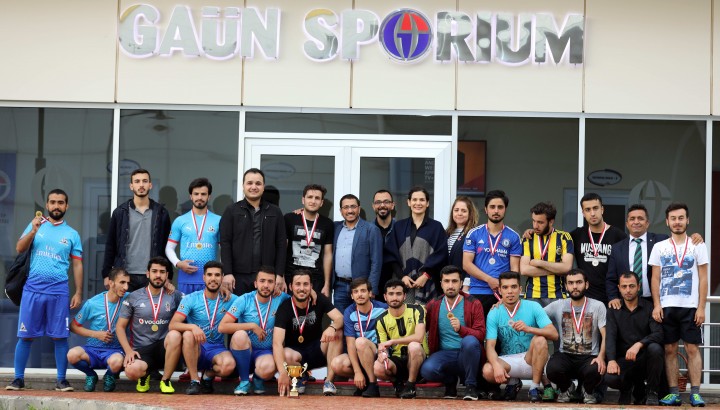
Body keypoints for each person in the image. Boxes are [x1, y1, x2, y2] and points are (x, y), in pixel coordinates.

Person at [8, 189, 83, 392]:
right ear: (47, 205)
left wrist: (78, 292)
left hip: (58, 292)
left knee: (60, 337)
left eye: (60, 202)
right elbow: (19, 248)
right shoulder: (36, 225)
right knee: (25, 336)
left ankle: (61, 380)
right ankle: (18, 379)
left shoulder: (72, 234)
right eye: (53, 202)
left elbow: (77, 264)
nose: (56, 206)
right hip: (32, 290)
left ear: (66, 206)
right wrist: (33, 231)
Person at [650, 202, 709, 407]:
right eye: (673, 218)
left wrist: (701, 307)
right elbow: (655, 278)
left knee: (692, 349)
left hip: (690, 306)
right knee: (669, 350)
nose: (677, 222)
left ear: (688, 220)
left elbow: (704, 278)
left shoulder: (698, 245)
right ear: (667, 221)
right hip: (667, 306)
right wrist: (657, 305)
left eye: (681, 218)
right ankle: (674, 393)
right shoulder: (659, 247)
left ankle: (695, 393)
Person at [606, 203, 703, 309]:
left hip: (655, 303)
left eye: (640, 218)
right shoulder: (617, 248)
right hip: (627, 303)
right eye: (632, 219)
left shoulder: (661, 241)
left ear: (647, 223)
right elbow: (611, 278)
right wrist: (613, 297)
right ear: (627, 224)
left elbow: (679, 239)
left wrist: (695, 237)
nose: (636, 222)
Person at [482, 271, 558, 403]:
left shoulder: (533, 306)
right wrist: (496, 365)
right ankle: (513, 382)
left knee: (540, 339)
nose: (510, 291)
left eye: (514, 287)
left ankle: (534, 388)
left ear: (520, 289)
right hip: (510, 361)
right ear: (500, 290)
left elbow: (554, 334)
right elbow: (490, 346)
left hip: (532, 359)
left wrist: (529, 329)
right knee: (488, 370)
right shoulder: (494, 312)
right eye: (505, 287)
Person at [218, 266, 291, 395]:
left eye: (270, 282)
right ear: (256, 283)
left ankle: (258, 378)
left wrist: (313, 293)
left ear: (275, 284)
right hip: (244, 350)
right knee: (239, 335)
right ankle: (244, 381)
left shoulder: (281, 298)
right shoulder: (244, 299)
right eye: (262, 281)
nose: (266, 285)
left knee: (269, 367)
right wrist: (251, 326)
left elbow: (300, 298)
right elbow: (222, 327)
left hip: (265, 352)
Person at [116, 257, 183, 394]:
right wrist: (128, 351)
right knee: (131, 371)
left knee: (175, 335)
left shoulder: (174, 295)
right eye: (154, 271)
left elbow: (195, 300)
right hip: (142, 350)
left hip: (165, 348)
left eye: (162, 272)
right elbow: (120, 327)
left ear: (167, 275)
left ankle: (165, 380)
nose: (158, 275)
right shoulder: (134, 297)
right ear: (148, 274)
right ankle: (145, 374)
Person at [273, 269, 345, 396]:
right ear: (291, 286)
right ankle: (300, 375)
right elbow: (277, 343)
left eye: (305, 284)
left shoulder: (319, 299)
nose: (302, 288)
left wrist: (332, 327)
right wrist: (283, 373)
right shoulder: (284, 307)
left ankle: (329, 381)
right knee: (285, 353)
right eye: (298, 284)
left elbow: (340, 318)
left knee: (337, 333)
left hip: (318, 350)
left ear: (311, 286)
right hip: (296, 355)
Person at [169, 261, 237, 395]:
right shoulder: (191, 298)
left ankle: (207, 375)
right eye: (209, 275)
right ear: (204, 277)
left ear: (222, 278)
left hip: (217, 348)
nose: (213, 278)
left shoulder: (231, 299)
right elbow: (173, 324)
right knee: (188, 334)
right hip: (196, 347)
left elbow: (251, 301)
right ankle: (194, 380)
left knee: (228, 366)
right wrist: (193, 327)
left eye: (217, 275)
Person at [420, 265, 485, 401]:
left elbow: (480, 334)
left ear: (461, 283)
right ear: (441, 284)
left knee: (470, 341)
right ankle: (450, 381)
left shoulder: (474, 303)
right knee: (427, 370)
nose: (450, 285)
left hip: (468, 354)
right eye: (447, 281)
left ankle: (471, 386)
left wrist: (461, 329)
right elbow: (422, 328)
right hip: (445, 354)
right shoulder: (434, 304)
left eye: (454, 281)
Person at [544, 269, 607, 404]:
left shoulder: (598, 306)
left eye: (579, 282)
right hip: (565, 355)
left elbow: (605, 334)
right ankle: (567, 388)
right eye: (571, 283)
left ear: (586, 284)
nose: (575, 286)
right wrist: (504, 303)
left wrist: (601, 357)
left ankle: (587, 390)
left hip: (589, 356)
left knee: (597, 369)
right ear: (566, 286)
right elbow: (535, 314)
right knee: (552, 369)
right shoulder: (559, 305)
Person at [221, 168, 287, 296]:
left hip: (267, 276)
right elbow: (225, 243)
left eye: (258, 183)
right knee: (240, 308)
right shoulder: (232, 211)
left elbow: (281, 245)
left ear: (263, 187)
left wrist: (279, 274)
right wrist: (227, 272)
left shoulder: (275, 212)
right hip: (238, 276)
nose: (254, 187)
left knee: (265, 308)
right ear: (243, 186)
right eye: (249, 183)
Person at [103, 169, 171, 292]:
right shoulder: (120, 212)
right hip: (125, 275)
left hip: (152, 275)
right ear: (131, 186)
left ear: (150, 185)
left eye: (144, 181)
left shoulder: (161, 213)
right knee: (124, 305)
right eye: (137, 181)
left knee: (151, 306)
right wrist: (107, 274)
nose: (141, 185)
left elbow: (167, 246)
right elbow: (110, 245)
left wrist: (168, 275)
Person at [67, 268, 130, 392]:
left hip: (114, 350)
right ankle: (91, 375)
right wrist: (96, 334)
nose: (126, 287)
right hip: (92, 349)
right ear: (111, 283)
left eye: (128, 283)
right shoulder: (92, 303)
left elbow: (147, 294)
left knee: (117, 362)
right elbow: (73, 326)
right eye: (122, 282)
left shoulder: (129, 299)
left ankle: (110, 376)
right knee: (72, 355)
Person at [605, 272, 663, 406]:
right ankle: (626, 389)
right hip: (624, 360)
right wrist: (611, 360)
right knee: (610, 378)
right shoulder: (613, 310)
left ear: (639, 287)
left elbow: (659, 334)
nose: (628, 290)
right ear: (619, 288)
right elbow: (610, 337)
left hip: (644, 360)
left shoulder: (649, 307)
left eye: (631, 286)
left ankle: (652, 392)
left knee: (655, 348)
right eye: (624, 286)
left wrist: (639, 344)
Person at [464, 190, 522, 317]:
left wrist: (508, 291)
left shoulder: (513, 236)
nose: (496, 211)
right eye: (492, 207)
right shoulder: (474, 234)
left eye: (500, 207)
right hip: (477, 291)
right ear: (486, 209)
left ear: (505, 209)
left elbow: (515, 270)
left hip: (502, 295)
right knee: (477, 329)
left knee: (503, 329)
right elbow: (466, 264)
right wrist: (489, 280)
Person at [385, 186, 447, 304]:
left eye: (422, 200)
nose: (418, 203)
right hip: (402, 282)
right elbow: (391, 255)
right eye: (414, 200)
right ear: (409, 202)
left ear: (427, 203)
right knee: (404, 314)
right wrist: (402, 276)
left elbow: (441, 255)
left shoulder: (436, 227)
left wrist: (426, 275)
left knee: (426, 314)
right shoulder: (399, 226)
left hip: (427, 282)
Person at [329, 278, 388, 398]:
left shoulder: (384, 308)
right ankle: (364, 381)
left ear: (370, 293)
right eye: (355, 292)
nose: (359, 294)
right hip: (360, 353)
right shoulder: (349, 312)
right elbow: (350, 344)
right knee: (336, 364)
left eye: (363, 291)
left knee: (360, 342)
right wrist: (357, 372)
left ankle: (373, 385)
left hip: (379, 352)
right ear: (352, 296)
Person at [374, 279, 429, 399]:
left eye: (398, 294)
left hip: (419, 359)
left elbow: (419, 337)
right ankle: (397, 383)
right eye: (391, 294)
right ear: (385, 297)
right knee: (377, 367)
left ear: (404, 296)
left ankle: (410, 386)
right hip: (397, 360)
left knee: (414, 346)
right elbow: (382, 346)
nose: (395, 298)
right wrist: (382, 354)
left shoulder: (417, 309)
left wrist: (393, 341)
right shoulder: (380, 319)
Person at [166, 178, 221, 295]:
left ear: (209, 196)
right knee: (185, 307)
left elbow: (225, 249)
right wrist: (178, 263)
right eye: (196, 194)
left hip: (210, 280)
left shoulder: (218, 221)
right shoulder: (180, 221)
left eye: (203, 194)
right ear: (191, 196)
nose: (199, 197)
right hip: (186, 279)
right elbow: (169, 248)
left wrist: (220, 272)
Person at [570, 193, 627, 304]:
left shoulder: (619, 236)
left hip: (611, 298)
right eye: (587, 210)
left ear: (602, 209)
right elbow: (555, 241)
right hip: (584, 298)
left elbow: (625, 268)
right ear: (583, 213)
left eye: (595, 208)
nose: (592, 213)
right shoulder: (576, 235)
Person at [331, 194, 383, 313]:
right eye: (346, 207)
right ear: (341, 211)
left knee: (362, 320)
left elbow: (376, 262)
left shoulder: (371, 229)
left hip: (362, 288)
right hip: (339, 286)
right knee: (340, 320)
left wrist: (372, 289)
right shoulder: (335, 228)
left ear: (359, 209)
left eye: (353, 207)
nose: (350, 210)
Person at [520, 202, 574, 307]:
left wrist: (539, 263)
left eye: (540, 222)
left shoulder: (564, 237)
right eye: (534, 221)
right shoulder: (528, 238)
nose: (535, 226)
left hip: (558, 295)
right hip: (532, 295)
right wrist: (557, 270)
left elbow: (567, 268)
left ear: (551, 222)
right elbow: (524, 270)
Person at [285, 184, 334, 297]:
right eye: (310, 197)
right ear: (303, 200)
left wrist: (326, 284)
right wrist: (281, 276)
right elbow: (282, 248)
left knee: (313, 308)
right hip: (291, 277)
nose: (313, 201)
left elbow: (328, 254)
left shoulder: (327, 224)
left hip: (315, 279)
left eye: (317, 198)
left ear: (321, 202)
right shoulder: (289, 219)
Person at [445, 196, 479, 292]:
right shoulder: (447, 233)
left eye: (464, 211)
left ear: (470, 214)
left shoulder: (474, 234)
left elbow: (475, 262)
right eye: (456, 210)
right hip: (448, 284)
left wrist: (466, 285)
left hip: (464, 285)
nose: (459, 213)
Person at [372, 189, 396, 303]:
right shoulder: (367, 230)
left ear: (392, 205)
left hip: (397, 285)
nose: (382, 205)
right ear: (373, 206)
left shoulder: (401, 229)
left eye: (386, 202)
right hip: (374, 286)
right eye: (378, 202)